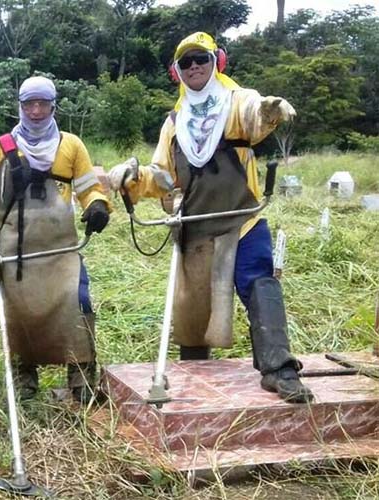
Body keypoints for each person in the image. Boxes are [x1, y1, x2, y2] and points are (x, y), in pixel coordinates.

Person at [107, 32, 312, 403]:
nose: (194, 66)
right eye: (185, 62)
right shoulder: (174, 122)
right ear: (177, 72)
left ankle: (279, 369)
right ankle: (194, 375)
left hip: (241, 219)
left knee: (259, 284)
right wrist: (133, 179)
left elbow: (254, 116)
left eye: (201, 58)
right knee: (193, 311)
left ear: (217, 60)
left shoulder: (236, 101)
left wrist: (267, 113)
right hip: (195, 225)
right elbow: (163, 175)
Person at [0, 76, 111, 403]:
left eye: (42, 104)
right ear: (20, 107)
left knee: (79, 304)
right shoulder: (2, 149)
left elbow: (90, 187)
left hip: (62, 252)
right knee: (18, 316)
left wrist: (97, 206)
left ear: (53, 106)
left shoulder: (71, 146)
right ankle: (24, 384)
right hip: (16, 255)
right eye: (28, 104)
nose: (36, 111)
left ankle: (81, 384)